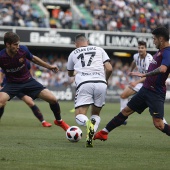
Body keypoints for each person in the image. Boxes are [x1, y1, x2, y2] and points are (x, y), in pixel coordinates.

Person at [94, 26, 170, 141]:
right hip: (145, 90)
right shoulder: (160, 51)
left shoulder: (168, 53)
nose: (153, 41)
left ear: (161, 39)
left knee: (159, 124)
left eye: (154, 39)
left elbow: (163, 69)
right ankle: (104, 132)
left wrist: (145, 75)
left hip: (155, 93)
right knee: (126, 111)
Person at [0, 31, 70, 132]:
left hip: (28, 81)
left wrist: (49, 67)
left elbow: (34, 59)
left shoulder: (23, 50)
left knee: (53, 99)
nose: (18, 46)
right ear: (8, 44)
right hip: (12, 84)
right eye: (15, 44)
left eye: (18, 44)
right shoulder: (1, 56)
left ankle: (59, 121)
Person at [67, 34, 113, 147]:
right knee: (96, 113)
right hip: (101, 83)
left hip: (85, 83)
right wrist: (105, 80)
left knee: (79, 115)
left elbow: (70, 74)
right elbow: (109, 68)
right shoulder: (99, 49)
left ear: (75, 44)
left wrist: (76, 72)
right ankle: (90, 136)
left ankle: (88, 123)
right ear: (87, 41)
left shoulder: (73, 53)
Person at [120, 41, 168, 124]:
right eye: (139, 48)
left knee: (154, 107)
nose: (140, 49)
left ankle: (164, 122)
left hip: (149, 83)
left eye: (142, 48)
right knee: (123, 95)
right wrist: (130, 71)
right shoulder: (136, 56)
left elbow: (148, 76)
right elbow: (134, 62)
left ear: (146, 49)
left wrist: (135, 82)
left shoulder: (148, 59)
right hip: (141, 83)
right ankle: (122, 119)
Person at [0, 62, 52, 127]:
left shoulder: (26, 62)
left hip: (22, 84)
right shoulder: (10, 61)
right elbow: (1, 73)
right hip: (10, 85)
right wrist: (1, 84)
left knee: (30, 102)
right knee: (2, 103)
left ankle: (43, 122)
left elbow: (30, 73)